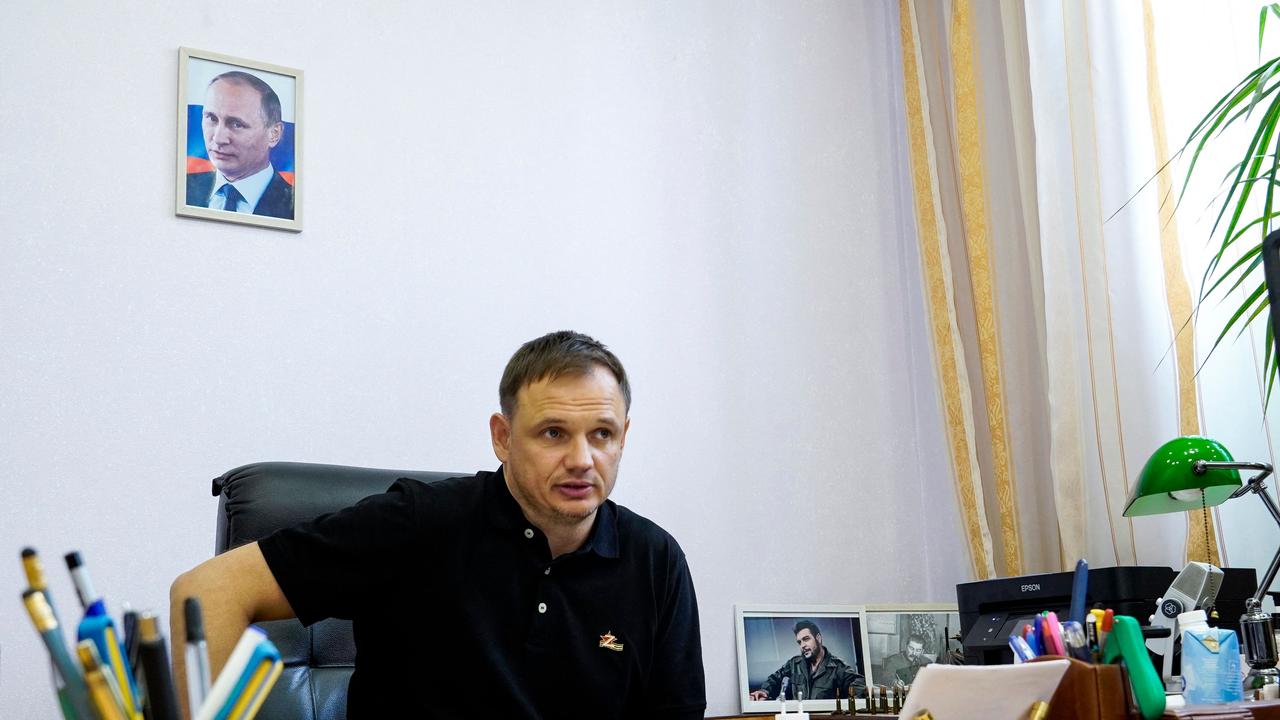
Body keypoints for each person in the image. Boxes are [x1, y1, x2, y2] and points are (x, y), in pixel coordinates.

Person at [169, 331, 706, 719]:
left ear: (624, 438)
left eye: (602, 434)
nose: (582, 459)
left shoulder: (656, 560)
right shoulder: (419, 523)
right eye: (552, 433)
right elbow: (207, 592)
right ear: (502, 436)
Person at [185, 70, 294, 219]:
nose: (218, 138)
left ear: (274, 134)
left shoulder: (295, 207)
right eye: (211, 118)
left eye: (236, 124)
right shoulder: (183, 189)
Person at [749, 620, 864, 701]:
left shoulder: (838, 667)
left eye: (806, 639)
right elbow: (775, 678)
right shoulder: (794, 663)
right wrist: (764, 691)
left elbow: (860, 685)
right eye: (799, 642)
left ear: (818, 638)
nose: (803, 645)